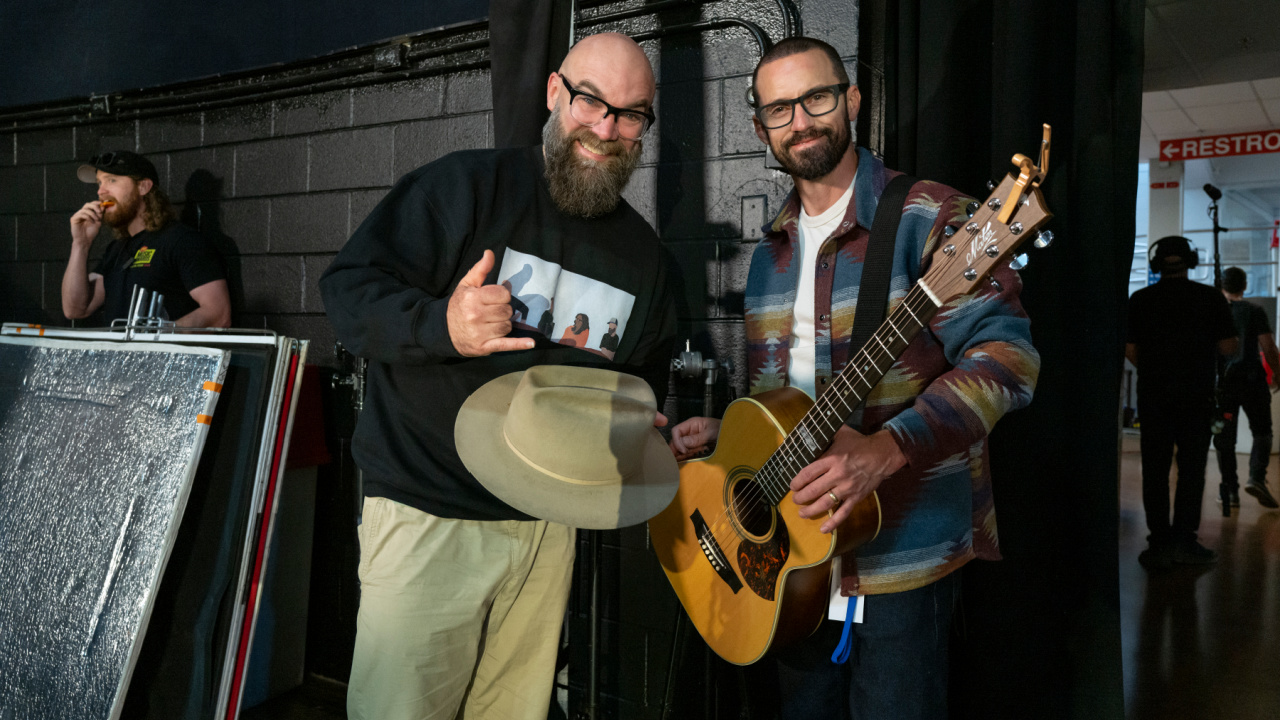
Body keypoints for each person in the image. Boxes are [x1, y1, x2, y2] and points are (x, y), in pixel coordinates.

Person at [668, 37, 1039, 719]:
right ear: (760, 128)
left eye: (816, 98)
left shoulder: (931, 216)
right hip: (787, 565)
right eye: (780, 109)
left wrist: (887, 449)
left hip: (904, 556)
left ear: (852, 100)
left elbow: (1008, 361)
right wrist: (733, 436)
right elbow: (785, 406)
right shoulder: (768, 256)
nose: (801, 120)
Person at [319, 32, 675, 720]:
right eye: (589, 101)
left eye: (630, 114)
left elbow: (642, 379)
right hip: (430, 516)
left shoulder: (645, 257)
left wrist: (641, 424)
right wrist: (441, 325)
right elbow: (348, 291)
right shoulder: (465, 186)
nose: (606, 128)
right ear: (552, 93)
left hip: (550, 529)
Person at [1126, 236, 1236, 569]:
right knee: (1192, 470)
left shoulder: (1141, 299)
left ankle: (1158, 542)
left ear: (1157, 264)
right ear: (1190, 261)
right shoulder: (1210, 297)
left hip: (1155, 397)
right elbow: (1229, 348)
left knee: (1155, 470)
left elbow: (1130, 350)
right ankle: (1185, 540)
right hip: (1196, 398)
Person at [62, 151, 231, 327]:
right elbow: (75, 309)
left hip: (164, 355)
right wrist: (80, 244)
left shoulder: (181, 240)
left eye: (112, 180)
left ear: (143, 187)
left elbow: (219, 314)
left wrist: (159, 338)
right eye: (99, 182)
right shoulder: (116, 250)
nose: (101, 191)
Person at [1213, 266, 1280, 509]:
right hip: (1253, 382)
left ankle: (1230, 491)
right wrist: (1279, 376)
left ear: (1222, 286)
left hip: (1225, 386)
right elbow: (1269, 348)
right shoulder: (1255, 311)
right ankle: (1257, 477)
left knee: (1224, 438)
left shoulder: (1215, 313)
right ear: (1244, 286)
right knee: (1263, 431)